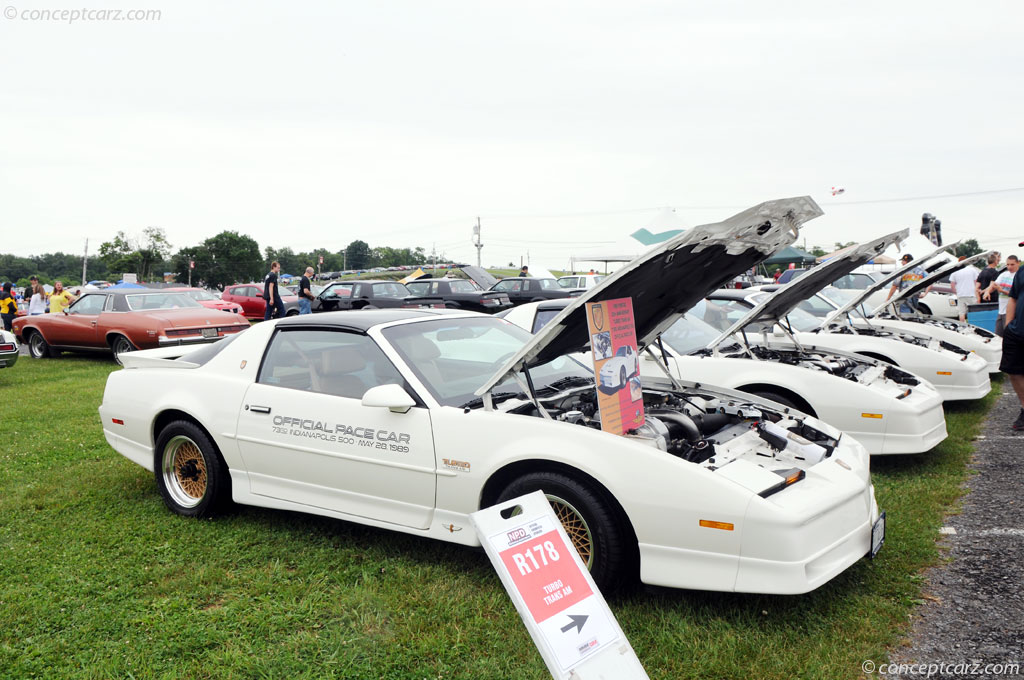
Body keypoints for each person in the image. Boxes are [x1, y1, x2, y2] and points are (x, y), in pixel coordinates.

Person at [999, 257, 1024, 430]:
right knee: (1014, 373)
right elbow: (1013, 298)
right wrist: (1008, 325)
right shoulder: (1022, 271)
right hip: (1017, 331)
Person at [948, 256, 980, 322]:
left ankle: (963, 326)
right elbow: (976, 282)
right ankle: (973, 325)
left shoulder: (955, 271)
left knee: (961, 313)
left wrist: (956, 293)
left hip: (961, 295)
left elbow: (952, 285)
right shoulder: (972, 270)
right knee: (973, 312)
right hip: (972, 294)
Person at [994, 255, 1019, 336]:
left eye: (1012, 264)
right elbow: (994, 284)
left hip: (1011, 312)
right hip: (1001, 310)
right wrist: (987, 291)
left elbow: (1016, 295)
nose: (1009, 267)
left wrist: (1002, 290)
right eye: (1008, 264)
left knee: (1008, 335)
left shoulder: (1018, 276)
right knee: (998, 335)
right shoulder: (1003, 274)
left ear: (1018, 263)